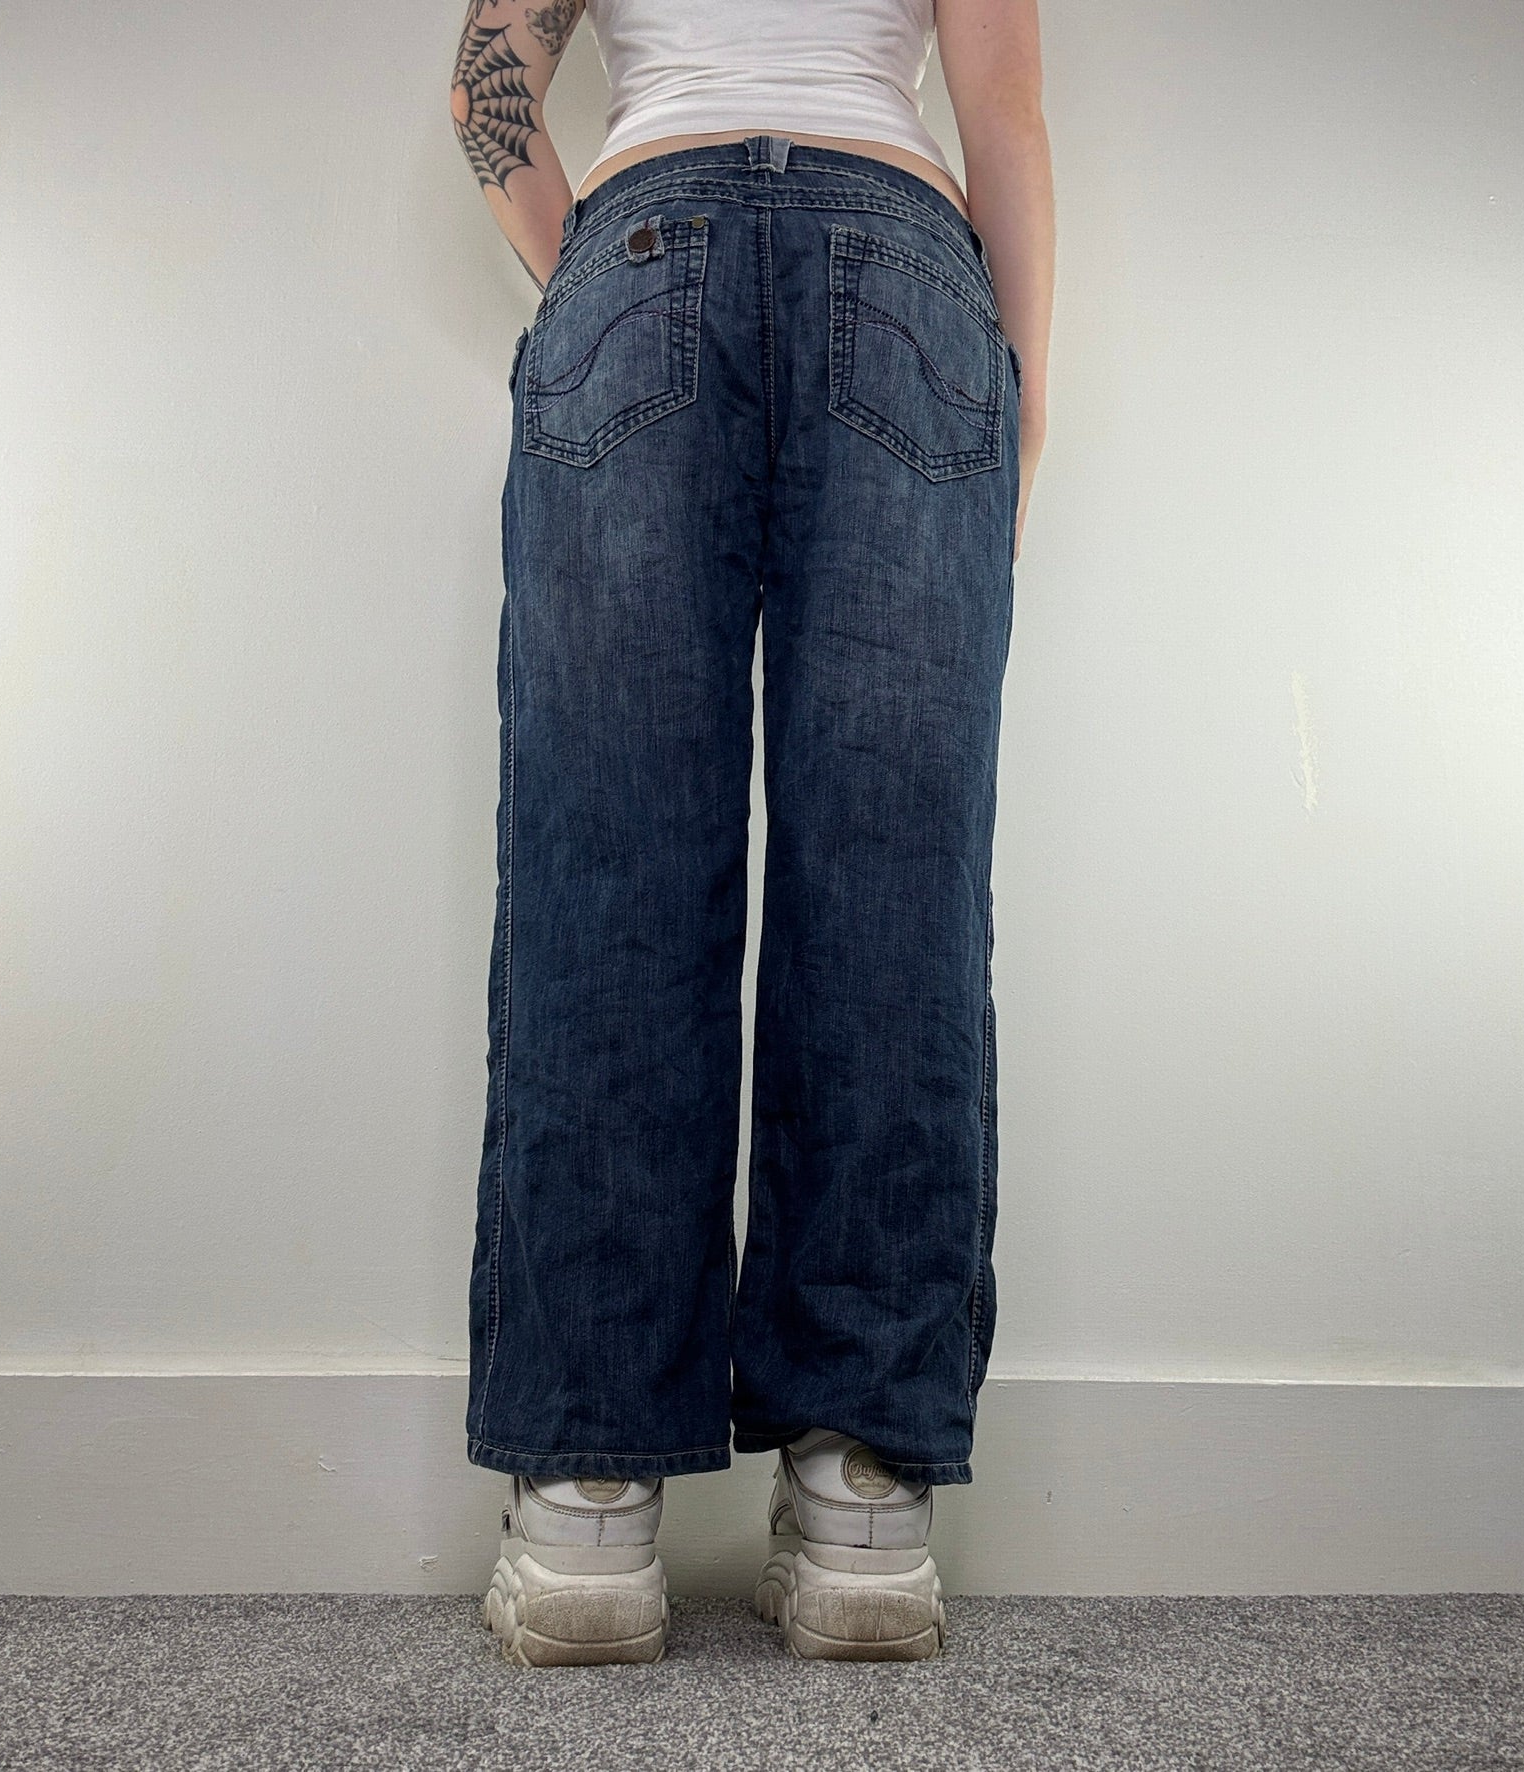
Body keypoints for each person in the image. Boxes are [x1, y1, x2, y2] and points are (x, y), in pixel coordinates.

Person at [453, 0, 1053, 1665]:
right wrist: (1022, 399)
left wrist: (598, 277)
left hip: (640, 246)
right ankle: (864, 1495)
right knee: (894, 878)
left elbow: (486, 89)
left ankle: (586, 1502)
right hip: (905, 264)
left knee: (605, 865)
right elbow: (1003, 106)